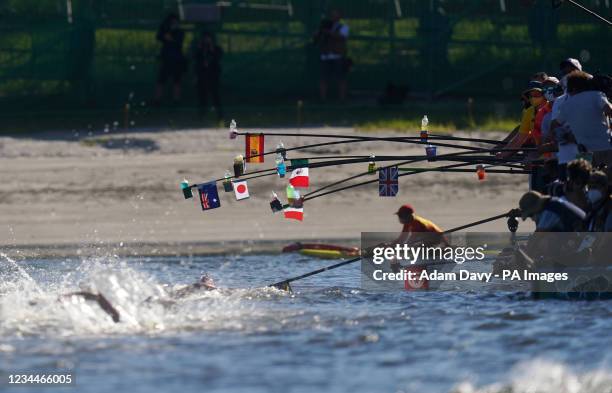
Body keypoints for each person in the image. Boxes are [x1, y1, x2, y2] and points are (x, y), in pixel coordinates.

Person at [551, 71, 612, 167]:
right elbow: (609, 110)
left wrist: (565, 136)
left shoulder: (566, 105)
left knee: (586, 179)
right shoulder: (597, 95)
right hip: (605, 147)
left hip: (584, 152)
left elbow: (554, 125)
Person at [314, 10, 350, 101]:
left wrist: (328, 32)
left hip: (338, 56)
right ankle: (323, 99)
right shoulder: (324, 26)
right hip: (325, 56)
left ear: (340, 17)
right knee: (323, 78)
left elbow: (342, 37)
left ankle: (342, 99)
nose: (334, 17)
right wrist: (318, 33)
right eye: (332, 15)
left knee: (341, 78)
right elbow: (317, 38)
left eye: (336, 15)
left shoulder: (344, 27)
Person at [154, 13, 186, 104]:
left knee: (177, 81)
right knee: (161, 80)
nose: (174, 24)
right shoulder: (165, 30)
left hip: (177, 59)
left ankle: (176, 100)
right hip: (166, 59)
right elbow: (160, 36)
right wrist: (167, 33)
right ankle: (157, 99)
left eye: (175, 22)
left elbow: (176, 41)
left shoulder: (180, 32)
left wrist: (170, 36)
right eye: (172, 22)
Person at [519, 190, 586, 232]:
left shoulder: (550, 210)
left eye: (531, 215)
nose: (532, 219)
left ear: (535, 207)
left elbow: (537, 238)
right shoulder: (553, 201)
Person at [193, 31, 223, 118]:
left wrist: (211, 48)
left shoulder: (216, 48)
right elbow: (195, 58)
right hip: (201, 75)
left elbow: (218, 56)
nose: (206, 40)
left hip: (213, 75)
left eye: (208, 38)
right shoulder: (199, 49)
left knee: (215, 95)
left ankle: (219, 114)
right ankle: (201, 114)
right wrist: (200, 48)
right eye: (205, 38)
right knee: (202, 95)